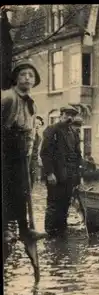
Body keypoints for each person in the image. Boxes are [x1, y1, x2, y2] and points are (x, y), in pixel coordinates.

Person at [2, 60, 47, 263]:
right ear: (16, 78)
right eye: (23, 75)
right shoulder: (8, 98)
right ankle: (5, 230)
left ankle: (24, 230)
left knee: (22, 191)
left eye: (31, 75)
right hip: (6, 147)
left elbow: (30, 131)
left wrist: (30, 155)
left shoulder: (31, 102)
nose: (27, 78)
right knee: (7, 190)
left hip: (22, 150)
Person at [40, 105, 83, 237]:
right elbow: (45, 153)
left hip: (69, 176)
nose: (69, 118)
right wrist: (49, 173)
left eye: (72, 115)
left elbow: (77, 155)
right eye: (67, 115)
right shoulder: (52, 130)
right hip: (56, 175)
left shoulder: (74, 133)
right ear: (61, 115)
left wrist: (78, 176)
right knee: (53, 203)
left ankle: (61, 230)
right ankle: (50, 232)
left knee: (65, 203)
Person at [30, 115, 44, 187]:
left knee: (32, 179)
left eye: (40, 124)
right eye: (36, 123)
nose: (38, 126)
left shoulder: (39, 138)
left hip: (33, 161)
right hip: (26, 159)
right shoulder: (28, 134)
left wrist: (38, 157)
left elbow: (37, 150)